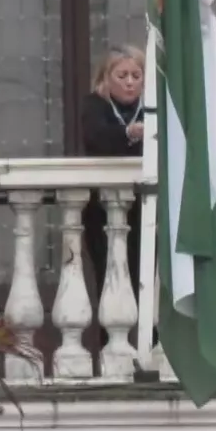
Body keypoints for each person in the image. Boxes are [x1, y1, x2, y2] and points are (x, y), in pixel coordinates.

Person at [81, 46, 145, 302]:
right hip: (102, 210)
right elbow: (96, 139)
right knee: (109, 281)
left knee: (144, 277)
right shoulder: (94, 105)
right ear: (106, 78)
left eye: (136, 75)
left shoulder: (153, 106)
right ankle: (109, 341)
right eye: (122, 76)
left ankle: (149, 340)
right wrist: (128, 134)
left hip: (143, 207)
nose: (130, 82)